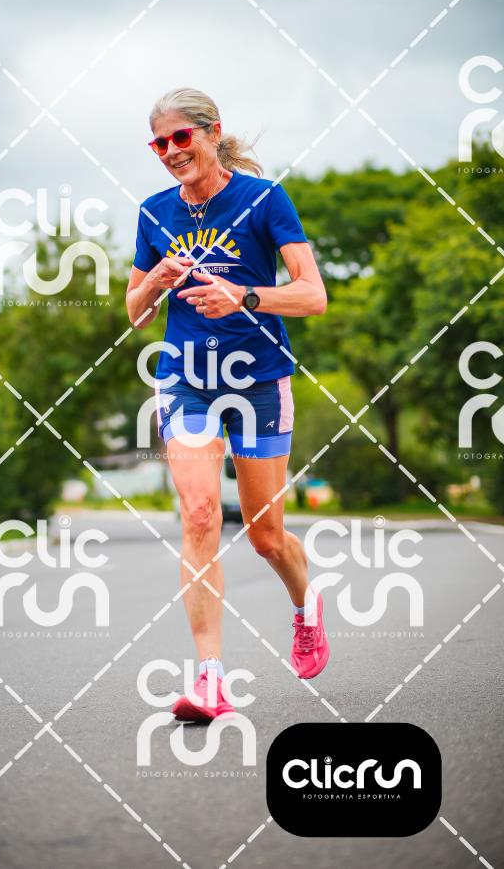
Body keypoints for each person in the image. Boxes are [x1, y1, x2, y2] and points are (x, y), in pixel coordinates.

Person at [126, 87, 329, 722]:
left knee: (266, 538)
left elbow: (313, 294)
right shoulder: (154, 212)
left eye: (180, 137)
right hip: (186, 379)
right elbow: (134, 314)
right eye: (159, 143)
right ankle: (211, 679)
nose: (170, 151)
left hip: (259, 380)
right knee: (200, 514)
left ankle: (306, 606)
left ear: (213, 133)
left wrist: (243, 296)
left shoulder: (264, 200)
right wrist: (155, 281)